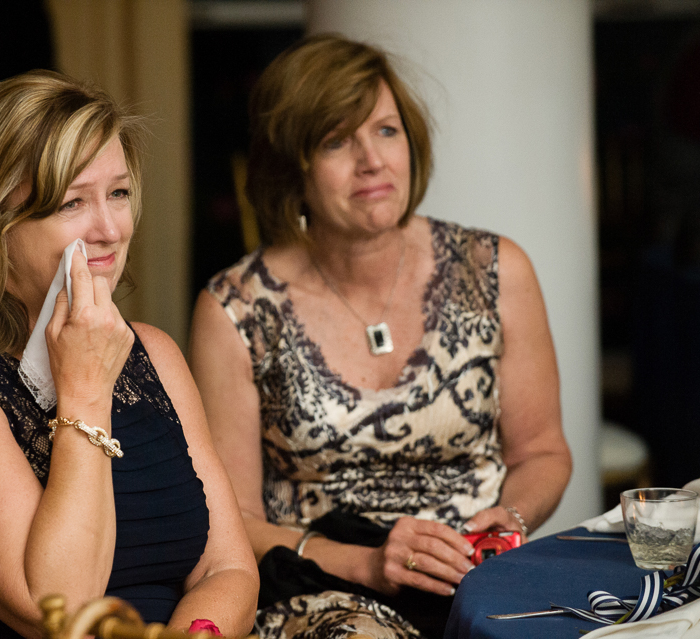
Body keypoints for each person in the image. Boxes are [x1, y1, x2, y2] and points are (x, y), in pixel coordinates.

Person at [188, 34, 572, 639]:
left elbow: (543, 452)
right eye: (337, 141)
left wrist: (507, 520)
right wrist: (367, 562)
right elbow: (233, 520)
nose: (372, 160)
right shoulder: (234, 308)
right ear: (293, 169)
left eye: (386, 131)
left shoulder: (497, 270)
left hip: (480, 574)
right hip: (324, 592)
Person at [0, 70, 259, 638]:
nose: (109, 229)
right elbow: (57, 610)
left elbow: (229, 568)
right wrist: (87, 387)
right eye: (73, 202)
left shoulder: (155, 354)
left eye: (118, 194)